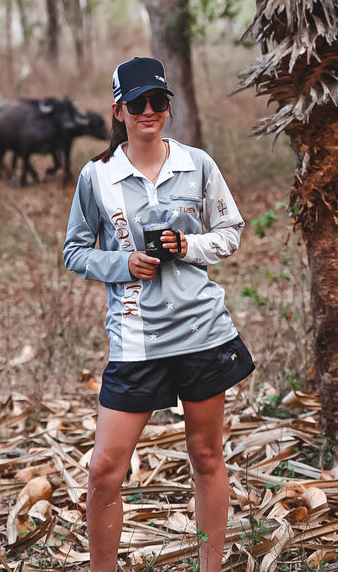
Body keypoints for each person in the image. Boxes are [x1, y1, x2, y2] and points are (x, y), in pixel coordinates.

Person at [63, 56, 254, 572]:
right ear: (119, 110)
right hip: (136, 340)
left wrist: (187, 244)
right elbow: (75, 250)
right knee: (105, 469)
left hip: (199, 332)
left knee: (207, 456)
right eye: (138, 103)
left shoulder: (198, 164)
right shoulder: (98, 177)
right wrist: (122, 262)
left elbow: (230, 231)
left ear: (168, 107)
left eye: (159, 101)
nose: (149, 111)